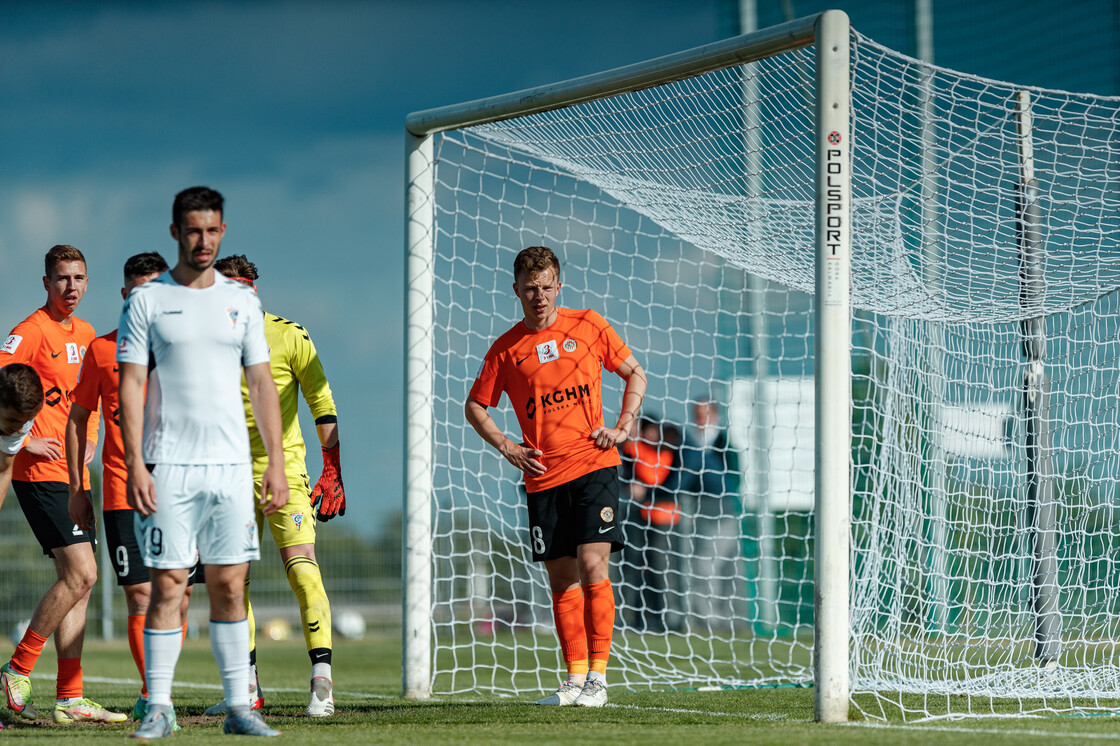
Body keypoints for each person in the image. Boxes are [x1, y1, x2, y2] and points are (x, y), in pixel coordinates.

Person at [118, 186, 288, 739]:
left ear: (223, 230)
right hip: (168, 466)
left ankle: (241, 708)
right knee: (168, 584)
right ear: (175, 232)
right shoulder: (145, 301)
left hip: (232, 469)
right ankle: (160, 708)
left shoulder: (242, 300)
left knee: (230, 584)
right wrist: (139, 465)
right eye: (193, 231)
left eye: (213, 230)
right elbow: (132, 385)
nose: (204, 241)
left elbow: (261, 383)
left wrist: (278, 464)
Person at [465, 246, 646, 708]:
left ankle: (599, 680)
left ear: (558, 286)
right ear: (516, 291)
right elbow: (475, 406)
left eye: (546, 287)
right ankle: (574, 679)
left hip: (595, 465)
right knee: (561, 581)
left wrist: (622, 426)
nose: (539, 296)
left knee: (593, 565)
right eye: (530, 288)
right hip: (544, 478)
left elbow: (634, 374)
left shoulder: (589, 324)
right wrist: (508, 447)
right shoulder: (506, 349)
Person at [202, 254, 345, 718]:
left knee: (302, 568)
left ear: (253, 292)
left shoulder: (289, 335)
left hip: (282, 470)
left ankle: (321, 683)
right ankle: (245, 688)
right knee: (231, 580)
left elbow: (321, 399)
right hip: (227, 475)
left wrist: (333, 470)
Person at [66, 252, 198, 727]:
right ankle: (155, 695)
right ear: (125, 296)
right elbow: (78, 420)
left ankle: (155, 689)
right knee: (141, 596)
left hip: (181, 492)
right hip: (124, 493)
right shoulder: (102, 351)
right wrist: (79, 487)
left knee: (179, 598)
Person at [0, 245, 127, 725]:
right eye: (60, 279)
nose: (69, 287)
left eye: (77, 278)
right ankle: (17, 668)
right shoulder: (29, 332)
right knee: (83, 574)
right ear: (46, 282)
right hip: (38, 474)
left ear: (88, 282)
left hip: (74, 477)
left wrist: (90, 441)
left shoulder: (90, 335)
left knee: (82, 584)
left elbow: (89, 400)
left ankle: (70, 697)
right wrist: (24, 441)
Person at [678, 397, 742, 626]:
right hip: (694, 512)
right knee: (698, 565)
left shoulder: (724, 443)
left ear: (714, 414)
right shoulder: (687, 444)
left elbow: (735, 479)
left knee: (716, 565)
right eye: (696, 413)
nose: (700, 418)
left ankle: (720, 618)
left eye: (704, 413)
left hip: (722, 513)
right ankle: (703, 617)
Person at [619, 417, 681, 633]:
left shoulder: (668, 454)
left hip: (664, 521)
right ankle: (634, 618)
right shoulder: (633, 450)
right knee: (634, 568)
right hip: (639, 519)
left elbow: (669, 486)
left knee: (663, 569)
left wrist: (646, 492)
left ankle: (670, 620)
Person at [0, 364, 46, 510]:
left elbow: (3, 471)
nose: (20, 431)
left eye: (24, 423)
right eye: (12, 420)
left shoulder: (20, 419)